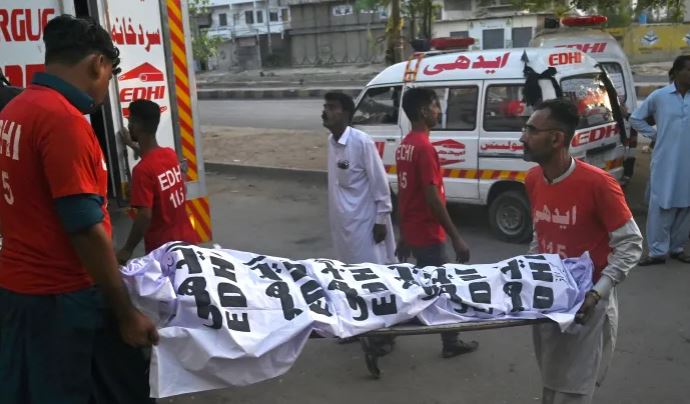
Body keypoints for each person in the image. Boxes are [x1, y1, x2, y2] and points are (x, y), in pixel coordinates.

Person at [0, 15, 158, 403]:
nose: (107, 84)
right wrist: (126, 313)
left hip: (20, 294)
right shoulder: (64, 122)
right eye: (111, 72)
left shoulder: (13, 113)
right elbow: (85, 230)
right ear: (97, 64)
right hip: (65, 300)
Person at [521, 98, 643, 404]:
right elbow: (541, 233)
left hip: (587, 303)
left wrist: (596, 293)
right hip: (549, 298)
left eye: (531, 130)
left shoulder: (599, 184)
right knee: (550, 381)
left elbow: (630, 244)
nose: (522, 138)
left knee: (574, 390)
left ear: (556, 138)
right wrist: (530, 275)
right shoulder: (533, 179)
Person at [395, 87, 478, 358]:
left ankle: (447, 339)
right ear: (422, 111)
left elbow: (408, 195)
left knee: (423, 288)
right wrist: (456, 237)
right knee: (438, 290)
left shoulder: (406, 145)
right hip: (429, 234)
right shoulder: (424, 147)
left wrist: (404, 234)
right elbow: (432, 199)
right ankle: (382, 337)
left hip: (415, 232)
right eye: (434, 106)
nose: (438, 111)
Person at [116, 99, 199, 264]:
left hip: (163, 251)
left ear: (137, 125)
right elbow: (151, 159)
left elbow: (144, 216)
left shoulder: (141, 171)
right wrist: (131, 145)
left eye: (130, 121)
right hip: (187, 241)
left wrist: (127, 250)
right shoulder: (169, 154)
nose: (129, 126)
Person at [323, 92, 396, 265]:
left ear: (346, 113)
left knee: (369, 272)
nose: (325, 112)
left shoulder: (362, 142)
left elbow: (381, 185)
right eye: (325, 107)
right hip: (342, 225)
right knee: (347, 271)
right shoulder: (331, 142)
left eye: (332, 108)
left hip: (365, 225)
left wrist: (380, 221)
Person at [631, 55, 690, 266]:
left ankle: (677, 248)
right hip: (666, 160)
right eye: (688, 70)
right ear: (675, 72)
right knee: (661, 205)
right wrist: (655, 135)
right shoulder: (660, 96)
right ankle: (657, 251)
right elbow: (636, 118)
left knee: (686, 207)